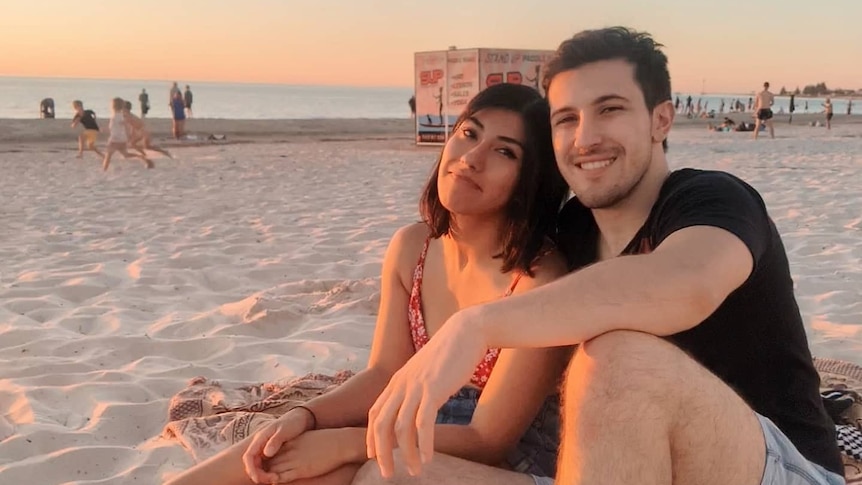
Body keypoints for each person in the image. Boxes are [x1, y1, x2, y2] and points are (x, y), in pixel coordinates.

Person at [362, 27, 845, 485]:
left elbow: (685, 283)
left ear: (661, 119)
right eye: (566, 119)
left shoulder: (710, 200)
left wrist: (476, 326)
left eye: (609, 110)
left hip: (773, 467)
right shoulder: (570, 233)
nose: (585, 137)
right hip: (625, 465)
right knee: (382, 474)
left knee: (618, 355)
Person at [163, 83, 572, 485]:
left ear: (531, 180)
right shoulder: (414, 248)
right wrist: (306, 417)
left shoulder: (539, 280)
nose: (471, 158)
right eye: (469, 133)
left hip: (500, 458)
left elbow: (487, 439)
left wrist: (346, 444)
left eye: (505, 151)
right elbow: (383, 372)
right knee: (277, 450)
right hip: (411, 420)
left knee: (354, 470)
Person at [102, 97, 153, 171]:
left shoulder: (116, 116)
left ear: (113, 106)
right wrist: (127, 135)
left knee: (108, 156)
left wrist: (128, 133)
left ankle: (104, 170)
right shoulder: (120, 115)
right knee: (126, 155)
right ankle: (142, 158)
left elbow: (123, 124)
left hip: (115, 139)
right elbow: (118, 126)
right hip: (122, 139)